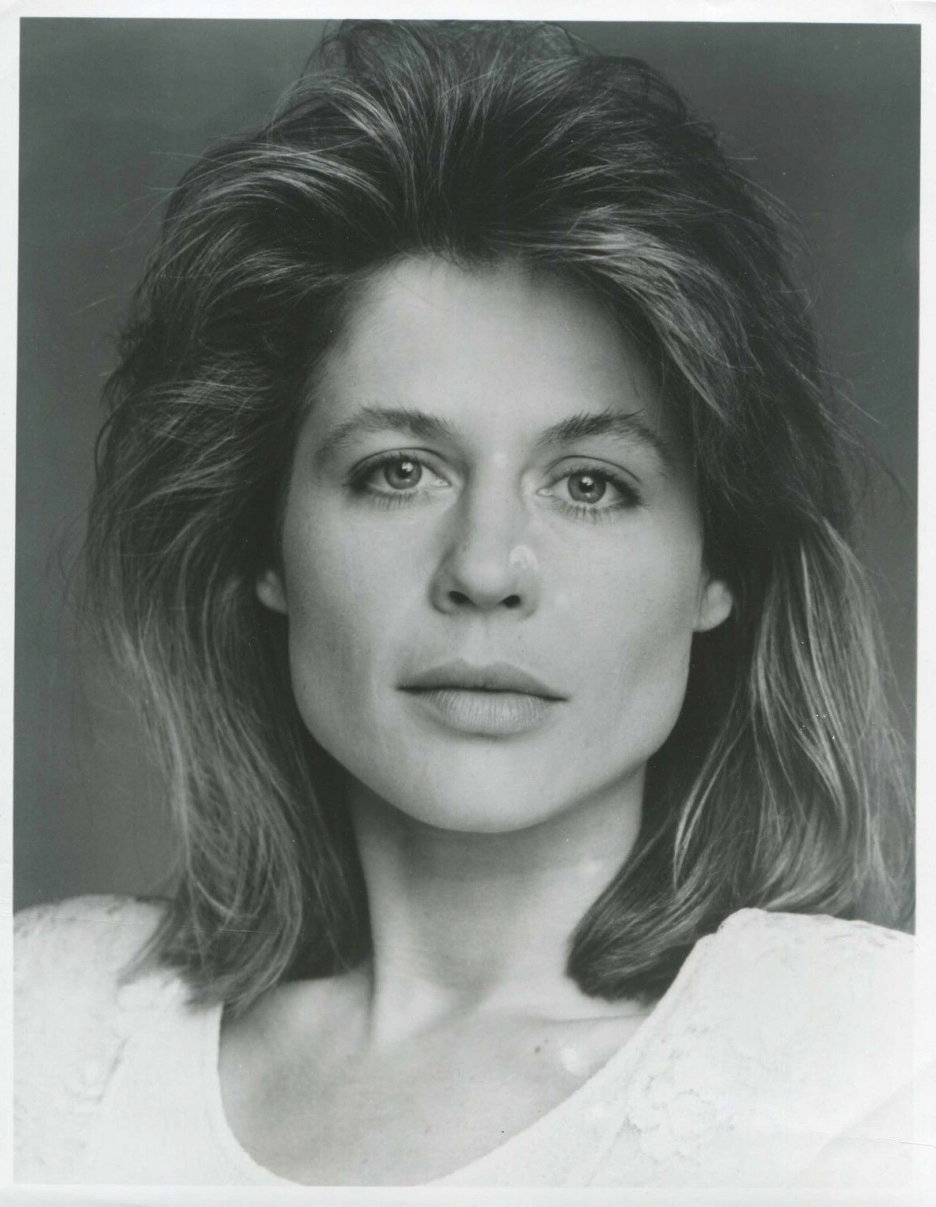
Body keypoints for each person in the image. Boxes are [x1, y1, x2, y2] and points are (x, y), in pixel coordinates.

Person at [14, 19, 926, 1188]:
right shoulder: (43, 1027)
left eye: (591, 484)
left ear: (719, 567)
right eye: (399, 470)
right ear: (264, 543)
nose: (486, 567)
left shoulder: (874, 1064)